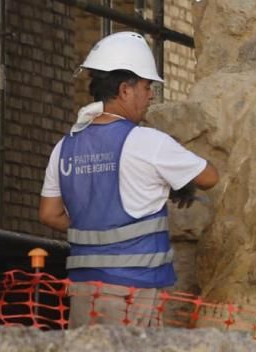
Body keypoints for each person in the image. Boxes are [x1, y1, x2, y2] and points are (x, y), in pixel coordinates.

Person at [39, 31, 219, 328]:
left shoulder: (65, 147)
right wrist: (174, 173)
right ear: (125, 89)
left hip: (84, 290)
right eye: (147, 87)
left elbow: (49, 214)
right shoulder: (146, 142)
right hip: (133, 294)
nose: (151, 95)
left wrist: (96, 228)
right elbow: (210, 176)